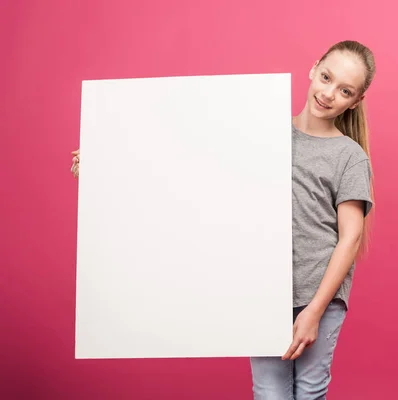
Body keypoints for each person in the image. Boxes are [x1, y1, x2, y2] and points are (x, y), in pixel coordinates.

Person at [70, 39, 376, 400]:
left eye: (344, 90)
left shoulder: (349, 155)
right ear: (313, 69)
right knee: (269, 392)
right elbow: (186, 171)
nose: (328, 93)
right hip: (263, 291)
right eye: (326, 77)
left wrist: (314, 310)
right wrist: (105, 164)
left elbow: (349, 238)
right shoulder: (261, 133)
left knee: (309, 392)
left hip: (318, 295)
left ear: (355, 101)